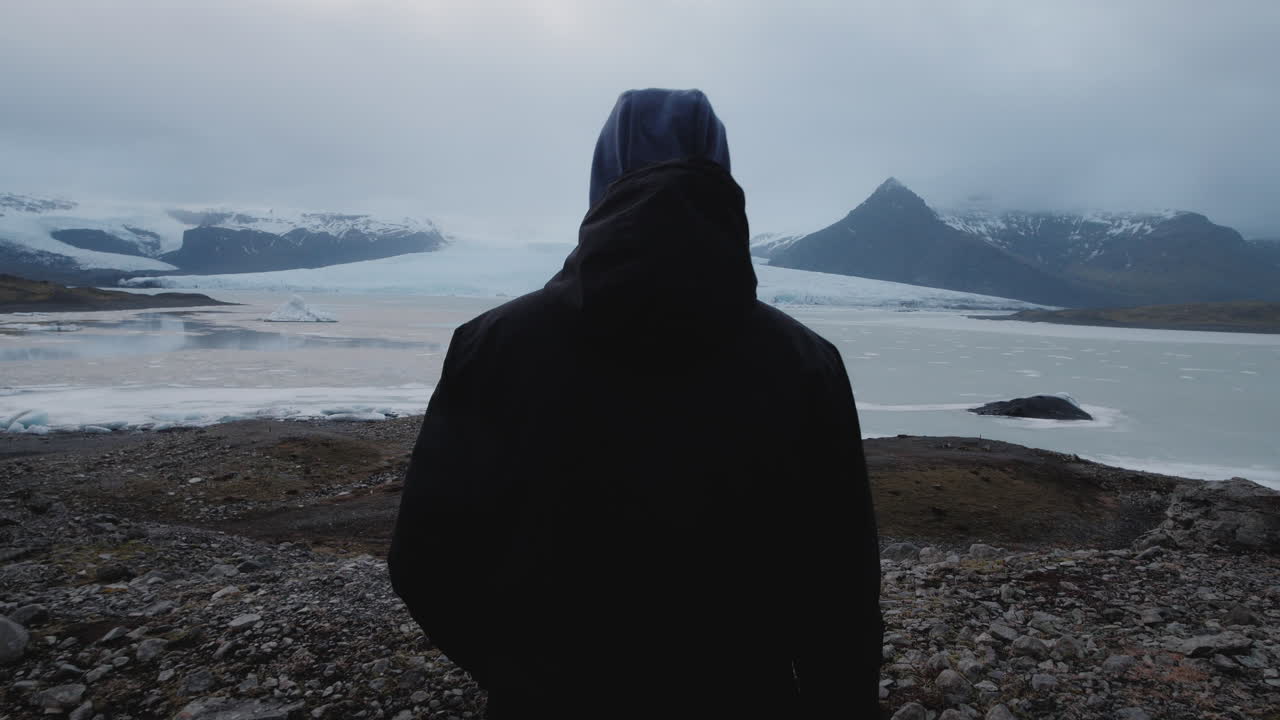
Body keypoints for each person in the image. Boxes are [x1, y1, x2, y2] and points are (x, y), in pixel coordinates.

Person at [388, 88, 882, 719]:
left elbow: (427, 559)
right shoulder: (804, 361)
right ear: (722, 174)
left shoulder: (495, 346)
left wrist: (523, 673)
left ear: (602, 178)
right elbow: (839, 589)